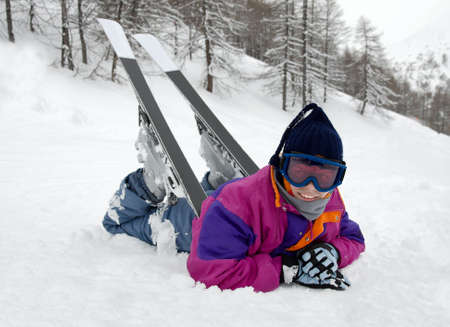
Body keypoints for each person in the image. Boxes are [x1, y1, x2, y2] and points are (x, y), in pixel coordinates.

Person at [103, 103, 365, 292]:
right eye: (300, 172)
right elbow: (212, 270)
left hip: (231, 212)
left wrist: (332, 251)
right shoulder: (234, 207)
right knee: (122, 224)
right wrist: (286, 269)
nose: (311, 188)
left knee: (229, 195)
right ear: (282, 165)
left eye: (325, 177)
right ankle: (147, 183)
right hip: (194, 226)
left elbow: (353, 237)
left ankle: (219, 180)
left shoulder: (330, 200)